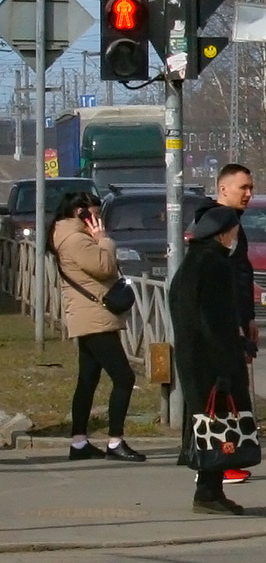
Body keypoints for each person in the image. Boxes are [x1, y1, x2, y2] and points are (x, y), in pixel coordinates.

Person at [170, 205, 252, 516]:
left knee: (207, 424)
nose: (236, 237)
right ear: (222, 234)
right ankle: (207, 493)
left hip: (193, 359)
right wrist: (225, 367)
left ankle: (211, 491)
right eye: (233, 231)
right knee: (218, 425)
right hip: (213, 362)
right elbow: (215, 322)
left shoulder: (192, 262)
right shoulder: (215, 266)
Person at [52, 192, 146, 462]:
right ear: (81, 213)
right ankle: (115, 442)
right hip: (95, 319)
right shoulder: (77, 240)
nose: (98, 218)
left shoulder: (67, 235)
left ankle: (79, 443)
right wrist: (103, 238)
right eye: (94, 212)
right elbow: (105, 267)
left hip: (88, 317)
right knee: (124, 378)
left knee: (88, 379)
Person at [193, 163, 257, 485]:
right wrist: (235, 324)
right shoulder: (215, 224)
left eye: (251, 188)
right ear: (223, 189)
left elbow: (242, 274)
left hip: (235, 321)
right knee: (222, 397)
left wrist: (248, 318)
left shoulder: (233, 223)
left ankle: (221, 464)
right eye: (243, 187)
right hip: (220, 330)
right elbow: (222, 283)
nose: (248, 194)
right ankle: (216, 464)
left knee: (231, 394)